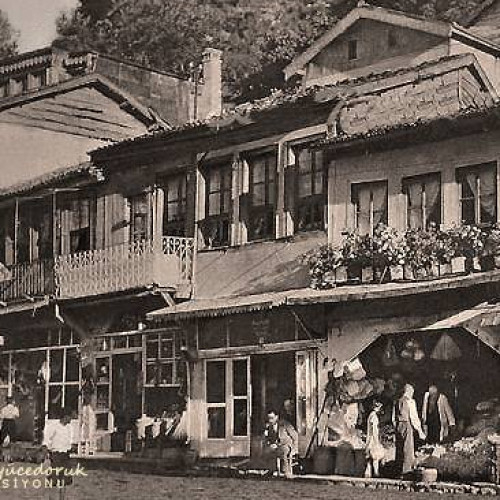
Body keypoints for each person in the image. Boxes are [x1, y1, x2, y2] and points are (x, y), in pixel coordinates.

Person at [393, 384, 426, 477]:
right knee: (408, 448)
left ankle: (398, 470)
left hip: (398, 425)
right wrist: (420, 431)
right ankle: (406, 471)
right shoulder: (410, 401)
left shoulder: (397, 401)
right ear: (409, 391)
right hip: (407, 424)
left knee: (399, 447)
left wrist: (396, 426)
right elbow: (413, 417)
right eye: (412, 392)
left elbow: (393, 417)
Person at [42, 406, 74, 500]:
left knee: (64, 480)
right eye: (70, 417)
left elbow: (69, 442)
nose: (71, 419)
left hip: (65, 456)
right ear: (65, 416)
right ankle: (51, 498)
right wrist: (46, 457)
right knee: (53, 480)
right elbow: (46, 441)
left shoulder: (69, 428)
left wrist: (71, 448)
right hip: (55, 455)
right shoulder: (53, 426)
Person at [263, 408, 298, 478]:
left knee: (282, 451)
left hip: (287, 445)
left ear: (277, 417)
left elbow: (295, 436)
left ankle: (286, 472)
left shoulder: (285, 424)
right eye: (269, 418)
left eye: (272, 418)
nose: (270, 420)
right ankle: (271, 469)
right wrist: (269, 443)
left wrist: (295, 448)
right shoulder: (269, 427)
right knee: (267, 451)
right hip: (276, 445)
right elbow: (269, 439)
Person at [365, 400, 384, 478]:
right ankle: (376, 472)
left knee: (369, 456)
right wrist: (377, 441)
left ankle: (368, 472)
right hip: (373, 438)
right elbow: (374, 429)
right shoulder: (374, 416)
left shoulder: (370, 415)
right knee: (375, 456)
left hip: (370, 438)